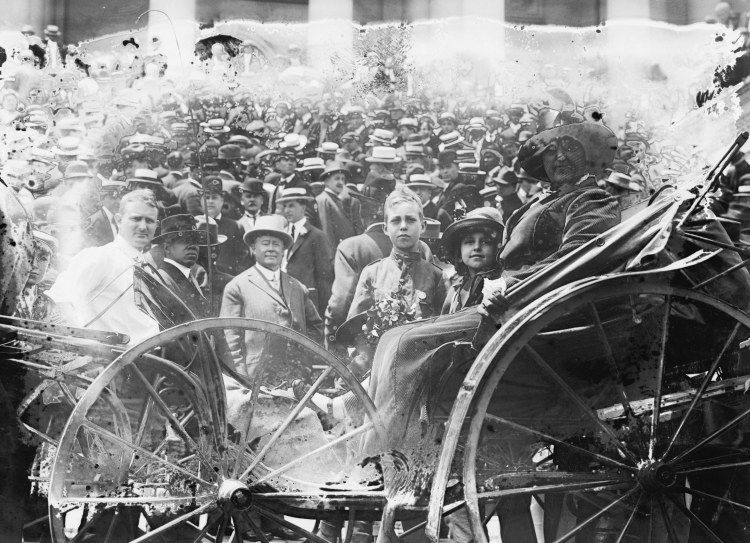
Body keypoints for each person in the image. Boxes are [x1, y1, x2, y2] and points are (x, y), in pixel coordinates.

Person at [359, 123, 621, 536]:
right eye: (551, 153)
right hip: (511, 306)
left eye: (569, 150)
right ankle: (383, 462)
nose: (558, 159)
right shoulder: (544, 202)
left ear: (589, 157)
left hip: (534, 314)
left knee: (408, 341)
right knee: (396, 338)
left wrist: (515, 285)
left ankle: (390, 468)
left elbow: (581, 260)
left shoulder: (591, 199)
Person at [47, 189, 160, 345]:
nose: (142, 226)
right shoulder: (101, 257)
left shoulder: (147, 267)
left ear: (156, 225)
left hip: (148, 360)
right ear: (119, 220)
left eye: (149, 221)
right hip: (110, 360)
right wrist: (87, 346)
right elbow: (59, 299)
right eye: (136, 219)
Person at [220, 214, 323, 378]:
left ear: (283, 250)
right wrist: (240, 379)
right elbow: (231, 339)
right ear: (253, 248)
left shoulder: (297, 287)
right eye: (265, 243)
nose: (271, 249)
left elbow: (315, 328)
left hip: (297, 377)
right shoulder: (237, 287)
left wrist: (304, 359)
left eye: (276, 244)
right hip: (256, 378)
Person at [347, 186, 446, 331]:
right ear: (385, 228)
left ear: (423, 226)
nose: (403, 226)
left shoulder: (437, 276)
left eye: (411, 220)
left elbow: (445, 328)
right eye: (396, 221)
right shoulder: (372, 273)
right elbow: (354, 329)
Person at [278, 187, 334, 315]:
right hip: (284, 297)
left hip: (308, 300)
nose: (287, 210)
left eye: (291, 206)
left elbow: (325, 277)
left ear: (303, 207)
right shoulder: (282, 234)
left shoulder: (316, 235)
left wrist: (324, 310)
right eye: (285, 206)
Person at [152, 214, 211, 319]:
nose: (193, 246)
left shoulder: (190, 277)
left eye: (195, 241)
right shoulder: (162, 280)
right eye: (184, 240)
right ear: (166, 248)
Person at [200, 175, 250, 276]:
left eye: (214, 197)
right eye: (207, 197)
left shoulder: (235, 227)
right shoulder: (195, 224)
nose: (210, 201)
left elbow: (243, 259)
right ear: (201, 201)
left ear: (222, 200)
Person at [15, 230, 62, 323]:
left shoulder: (49, 306)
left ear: (48, 266)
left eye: (43, 258)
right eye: (28, 255)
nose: (34, 264)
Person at [316, 161, 363, 249]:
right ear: (326, 181)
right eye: (337, 178)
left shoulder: (337, 198)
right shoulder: (323, 199)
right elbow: (327, 230)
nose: (341, 182)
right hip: (336, 251)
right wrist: (332, 257)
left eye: (343, 179)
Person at [84, 178, 126, 247]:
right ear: (102, 198)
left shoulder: (117, 219)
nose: (118, 202)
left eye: (120, 198)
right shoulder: (95, 222)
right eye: (113, 197)